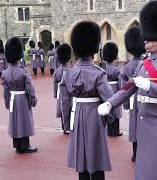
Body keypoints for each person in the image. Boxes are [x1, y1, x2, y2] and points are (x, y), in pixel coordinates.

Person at [98, 1, 157, 180]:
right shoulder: (144, 64)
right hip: (144, 122)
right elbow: (128, 88)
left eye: (149, 37)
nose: (144, 40)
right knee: (145, 168)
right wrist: (110, 103)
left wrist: (150, 86)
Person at [60, 21, 114, 180]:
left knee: (81, 157)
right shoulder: (99, 73)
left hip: (76, 116)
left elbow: (65, 102)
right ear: (94, 49)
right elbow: (109, 100)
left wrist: (67, 122)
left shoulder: (68, 73)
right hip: (95, 116)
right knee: (96, 156)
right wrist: (109, 120)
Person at [2, 37, 38, 154]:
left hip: (12, 98)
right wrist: (32, 99)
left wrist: (7, 103)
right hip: (22, 98)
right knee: (24, 121)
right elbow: (29, 87)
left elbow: (5, 91)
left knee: (15, 121)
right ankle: (25, 146)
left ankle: (17, 145)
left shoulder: (5, 72)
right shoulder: (23, 71)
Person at [121, 26, 146, 162]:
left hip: (131, 100)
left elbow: (123, 87)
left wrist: (125, 105)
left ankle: (135, 154)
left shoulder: (126, 66)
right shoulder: (147, 63)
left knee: (134, 125)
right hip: (145, 98)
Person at [102, 42, 123, 137]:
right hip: (114, 90)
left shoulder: (101, 68)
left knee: (106, 108)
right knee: (115, 108)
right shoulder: (117, 69)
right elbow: (120, 84)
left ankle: (107, 129)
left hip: (104, 89)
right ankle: (115, 131)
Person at [53, 43, 72, 135]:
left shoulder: (57, 71)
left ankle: (64, 127)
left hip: (60, 92)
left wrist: (55, 93)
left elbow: (55, 83)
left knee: (61, 108)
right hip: (68, 91)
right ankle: (69, 126)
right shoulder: (70, 70)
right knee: (69, 107)